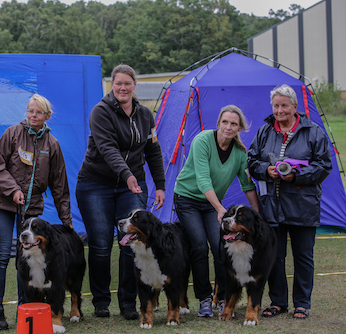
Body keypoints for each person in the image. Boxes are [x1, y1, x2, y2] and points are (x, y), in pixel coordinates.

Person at [75, 64, 165, 320]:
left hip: (131, 186)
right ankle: (101, 301)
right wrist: (128, 176)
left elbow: (153, 151)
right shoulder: (100, 112)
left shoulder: (146, 115)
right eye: (118, 84)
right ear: (112, 86)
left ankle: (128, 303)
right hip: (96, 184)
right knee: (101, 245)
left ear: (134, 86)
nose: (122, 88)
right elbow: (108, 149)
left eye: (127, 83)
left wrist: (159, 184)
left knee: (131, 244)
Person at [0, 94, 73, 330]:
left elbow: (59, 185)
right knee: (3, 256)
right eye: (30, 111)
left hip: (32, 207)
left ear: (47, 116)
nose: (33, 115)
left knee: (23, 258)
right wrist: (13, 189)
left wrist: (66, 219)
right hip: (4, 202)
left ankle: (25, 310)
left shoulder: (52, 144)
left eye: (38, 112)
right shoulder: (12, 133)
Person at [248, 84, 332, 319]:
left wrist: (296, 175)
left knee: (303, 256)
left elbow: (324, 166)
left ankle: (302, 304)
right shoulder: (264, 131)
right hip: (271, 205)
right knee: (274, 256)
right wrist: (267, 170)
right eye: (276, 105)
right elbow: (252, 160)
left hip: (303, 204)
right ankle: (278, 302)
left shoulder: (313, 131)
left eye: (284, 105)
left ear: (295, 107)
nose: (279, 110)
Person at [173, 105, 258, 318]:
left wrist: (257, 214)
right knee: (200, 247)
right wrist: (220, 208)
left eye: (234, 124)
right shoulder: (202, 141)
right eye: (225, 122)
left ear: (240, 128)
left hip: (212, 204)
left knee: (222, 248)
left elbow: (247, 185)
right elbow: (203, 180)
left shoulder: (240, 153)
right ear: (219, 122)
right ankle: (203, 299)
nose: (228, 127)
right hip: (188, 199)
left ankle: (222, 298)